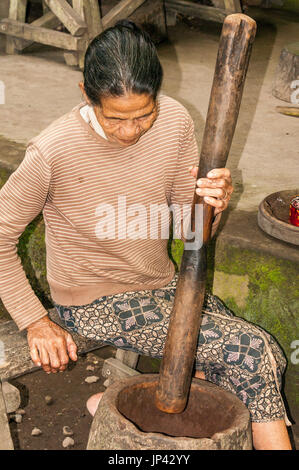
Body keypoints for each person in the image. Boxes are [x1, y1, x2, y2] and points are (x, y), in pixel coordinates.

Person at [0, 21, 292, 450]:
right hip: (92, 301)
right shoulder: (53, 150)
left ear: (157, 94)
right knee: (250, 353)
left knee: (265, 353)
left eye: (144, 114)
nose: (131, 131)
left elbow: (191, 232)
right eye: (115, 117)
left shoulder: (174, 121)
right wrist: (34, 321)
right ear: (86, 94)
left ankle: (126, 410)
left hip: (162, 283)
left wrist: (210, 204)